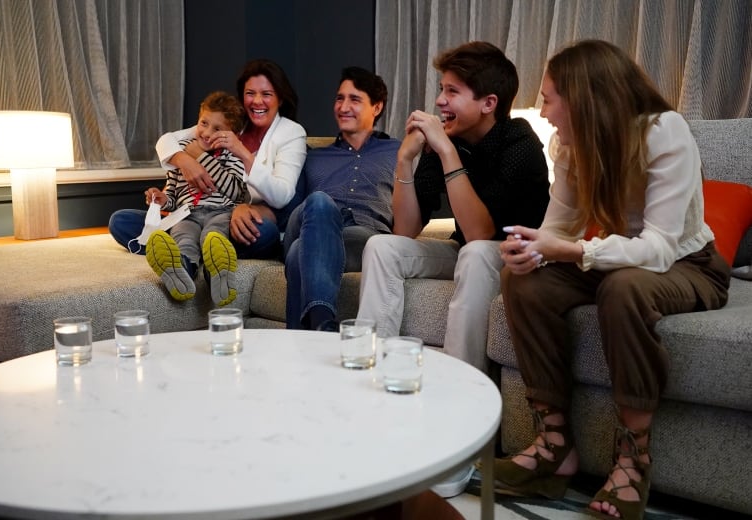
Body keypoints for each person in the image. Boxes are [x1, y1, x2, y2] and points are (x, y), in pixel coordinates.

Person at [494, 40, 730, 520]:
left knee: (622, 288)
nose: (544, 110)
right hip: (619, 257)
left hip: (688, 264)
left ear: (583, 97)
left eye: (549, 97)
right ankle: (554, 446)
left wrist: (576, 249)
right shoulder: (572, 144)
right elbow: (557, 228)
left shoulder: (665, 132)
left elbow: (660, 246)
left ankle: (633, 458)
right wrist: (530, 251)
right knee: (525, 283)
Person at [356, 41, 550, 371]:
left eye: (452, 91)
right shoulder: (450, 137)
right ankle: (370, 365)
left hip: (522, 256)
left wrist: (446, 151)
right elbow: (405, 230)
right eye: (441, 89)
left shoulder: (518, 140)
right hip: (468, 250)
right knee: (382, 246)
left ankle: (462, 384)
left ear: (489, 103)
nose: (439, 101)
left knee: (474, 254)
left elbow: (479, 233)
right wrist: (405, 159)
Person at [109, 58, 307, 260]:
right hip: (190, 216)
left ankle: (185, 250)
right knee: (121, 221)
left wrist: (240, 153)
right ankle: (195, 249)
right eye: (250, 93)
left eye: (266, 94)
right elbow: (168, 140)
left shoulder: (291, 132)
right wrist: (184, 161)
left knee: (265, 233)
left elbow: (282, 196)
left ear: (280, 98)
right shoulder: (227, 121)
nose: (257, 101)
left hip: (231, 220)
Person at [283, 67, 399, 331]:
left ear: (377, 107)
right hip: (308, 221)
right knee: (320, 203)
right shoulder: (311, 155)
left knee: (296, 253)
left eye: (354, 99)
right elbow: (290, 211)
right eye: (339, 98)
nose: (343, 106)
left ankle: (304, 340)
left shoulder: (399, 151)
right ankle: (324, 321)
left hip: (362, 237)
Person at [143, 91, 247, 306]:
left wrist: (201, 158)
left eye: (217, 129)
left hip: (221, 212)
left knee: (213, 237)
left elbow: (235, 191)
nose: (207, 133)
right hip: (187, 214)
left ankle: (219, 275)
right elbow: (173, 193)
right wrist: (162, 199)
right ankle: (181, 272)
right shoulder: (180, 155)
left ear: (232, 134)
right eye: (204, 123)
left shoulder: (233, 156)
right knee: (184, 238)